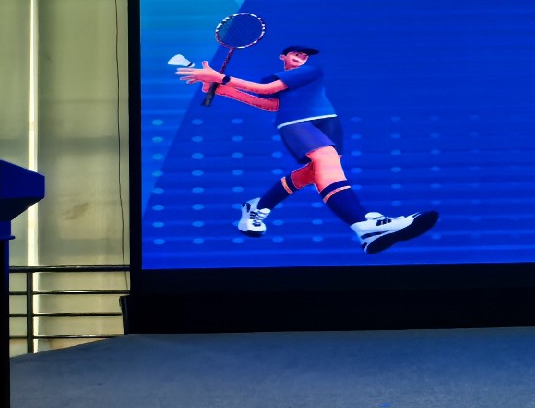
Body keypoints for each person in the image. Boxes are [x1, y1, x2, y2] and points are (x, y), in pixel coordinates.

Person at [175, 44, 436, 253]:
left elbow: (266, 92)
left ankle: (258, 207)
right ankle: (364, 223)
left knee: (315, 173)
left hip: (328, 124)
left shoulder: (311, 71)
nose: (301, 56)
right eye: (295, 53)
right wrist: (222, 89)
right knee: (325, 162)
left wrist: (220, 80)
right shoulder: (279, 78)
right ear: (283, 57)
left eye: (304, 54)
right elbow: (268, 103)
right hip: (296, 123)